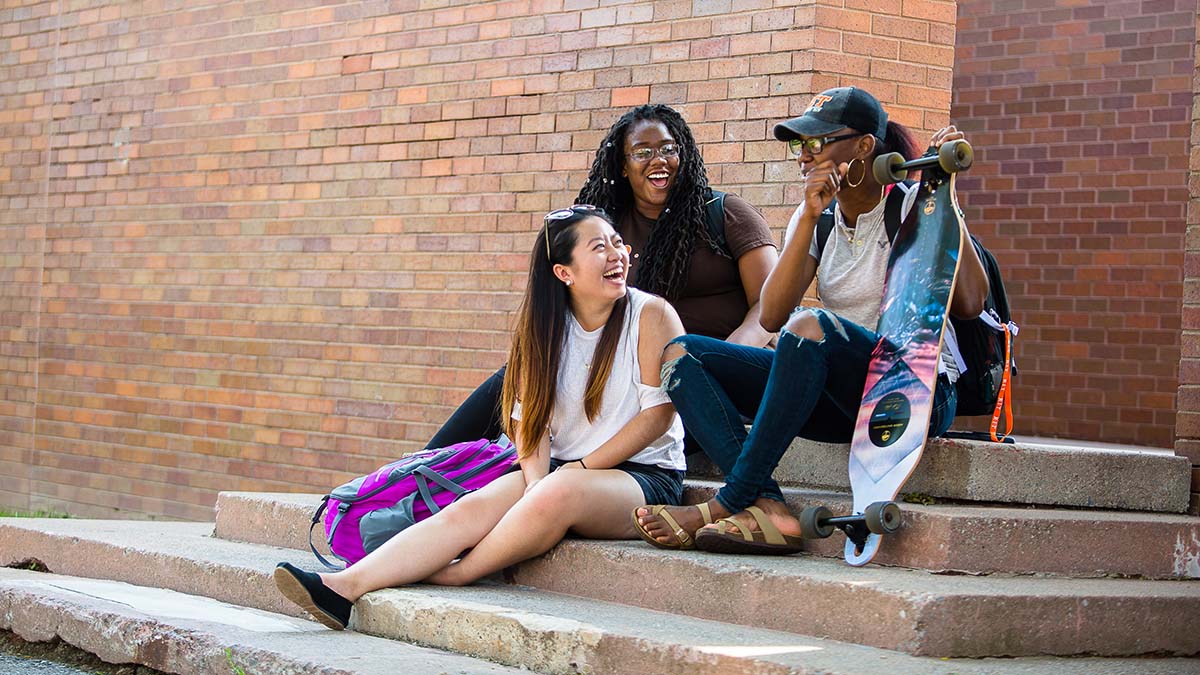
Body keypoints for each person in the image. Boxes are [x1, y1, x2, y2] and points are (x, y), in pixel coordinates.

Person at [275, 205, 688, 629]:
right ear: (564, 272)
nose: (617, 254)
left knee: (556, 493)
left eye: (618, 243)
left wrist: (566, 477)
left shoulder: (651, 314)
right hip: (562, 470)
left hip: (643, 478)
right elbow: (530, 425)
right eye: (599, 247)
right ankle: (340, 588)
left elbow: (658, 415)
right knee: (468, 509)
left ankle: (459, 572)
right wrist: (535, 482)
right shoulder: (543, 328)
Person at [633, 87, 990, 553]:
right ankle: (771, 507)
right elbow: (773, 312)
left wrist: (941, 194)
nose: (805, 155)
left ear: (864, 147)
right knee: (681, 355)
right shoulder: (819, 221)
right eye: (799, 144)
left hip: (915, 396)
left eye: (818, 142)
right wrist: (807, 216)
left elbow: (970, 302)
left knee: (808, 325)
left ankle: (727, 502)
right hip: (844, 400)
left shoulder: (909, 205)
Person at [423, 104, 778, 451]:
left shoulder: (726, 214)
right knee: (518, 371)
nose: (658, 160)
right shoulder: (609, 230)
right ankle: (412, 471)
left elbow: (770, 304)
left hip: (705, 374)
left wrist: (722, 357)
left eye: (669, 149)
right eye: (642, 152)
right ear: (623, 167)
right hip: (626, 369)